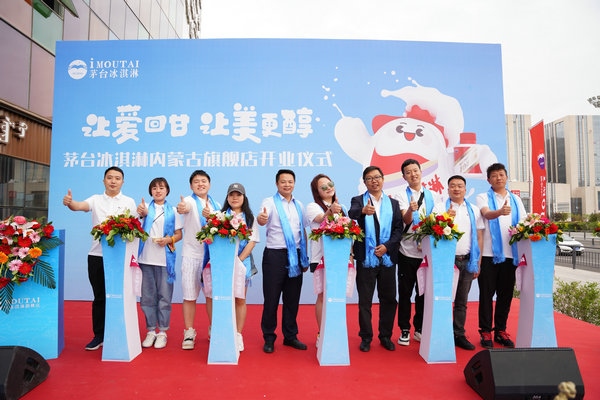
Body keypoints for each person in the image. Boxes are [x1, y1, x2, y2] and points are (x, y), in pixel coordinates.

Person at [62, 166, 137, 351]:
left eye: (117, 178)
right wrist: (70, 203)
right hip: (97, 256)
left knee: (119, 296)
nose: (113, 181)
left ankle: (119, 333)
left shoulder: (129, 202)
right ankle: (99, 335)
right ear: (104, 180)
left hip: (120, 258)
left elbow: (135, 227)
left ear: (123, 182)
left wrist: (141, 213)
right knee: (100, 297)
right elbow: (79, 206)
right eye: (109, 177)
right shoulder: (95, 199)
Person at [348, 166, 403, 352]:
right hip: (366, 258)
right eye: (370, 178)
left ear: (383, 179)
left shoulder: (393, 203)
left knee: (389, 299)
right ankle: (366, 337)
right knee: (365, 301)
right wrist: (363, 211)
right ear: (365, 182)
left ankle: (385, 335)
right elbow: (352, 213)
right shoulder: (358, 201)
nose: (374, 181)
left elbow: (398, 229)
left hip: (387, 258)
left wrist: (387, 246)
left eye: (377, 177)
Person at [256, 169, 309, 353]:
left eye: (290, 181)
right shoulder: (269, 202)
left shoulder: (299, 205)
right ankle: (269, 337)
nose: (287, 184)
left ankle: (290, 336)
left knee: (292, 299)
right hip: (275, 256)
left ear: (294, 183)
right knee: (271, 299)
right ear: (277, 184)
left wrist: (304, 257)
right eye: (283, 181)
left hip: (296, 255)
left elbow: (303, 231)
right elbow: (262, 219)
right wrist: (261, 218)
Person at [204, 183, 259, 352]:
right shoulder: (219, 216)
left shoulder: (250, 218)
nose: (235, 198)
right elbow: (209, 239)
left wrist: (238, 261)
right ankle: (218, 330)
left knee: (239, 299)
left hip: (242, 263)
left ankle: (237, 334)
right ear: (227, 198)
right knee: (219, 297)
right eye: (231, 195)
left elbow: (252, 242)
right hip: (221, 264)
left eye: (238, 195)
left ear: (244, 198)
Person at [476, 163, 525, 349]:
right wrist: (500, 212)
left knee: (505, 295)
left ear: (506, 177)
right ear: (489, 180)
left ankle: (500, 331)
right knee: (486, 295)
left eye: (501, 174)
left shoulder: (516, 199)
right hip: (489, 255)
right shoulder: (483, 197)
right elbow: (487, 214)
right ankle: (485, 331)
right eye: (494, 175)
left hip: (511, 255)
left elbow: (523, 223)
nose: (498, 178)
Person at [433, 175, 484, 350]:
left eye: (460, 186)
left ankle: (458, 334)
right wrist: (445, 217)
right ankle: (442, 334)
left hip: (468, 260)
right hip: (447, 262)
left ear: (465, 189)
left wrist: (478, 261)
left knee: (462, 301)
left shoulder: (474, 209)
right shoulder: (440, 207)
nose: (456, 189)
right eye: (453, 186)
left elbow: (479, 236)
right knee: (444, 299)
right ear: (447, 189)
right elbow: (433, 231)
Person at [394, 158, 438, 346]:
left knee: (423, 293)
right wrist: (410, 211)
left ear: (421, 171)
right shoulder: (400, 195)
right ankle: (404, 329)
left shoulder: (433, 195)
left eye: (415, 170)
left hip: (427, 254)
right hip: (407, 252)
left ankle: (420, 328)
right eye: (408, 172)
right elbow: (404, 220)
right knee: (405, 293)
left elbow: (437, 220)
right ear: (404, 176)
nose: (413, 174)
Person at [136, 177, 183, 349]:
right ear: (150, 191)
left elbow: (179, 234)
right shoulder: (143, 209)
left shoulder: (173, 211)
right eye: (154, 188)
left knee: (164, 297)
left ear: (167, 190)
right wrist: (141, 214)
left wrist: (168, 239)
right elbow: (135, 226)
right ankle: (150, 331)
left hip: (164, 261)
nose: (158, 190)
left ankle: (162, 331)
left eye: (161, 187)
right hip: (145, 259)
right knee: (147, 297)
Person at [176, 170, 221, 350]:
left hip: (211, 257)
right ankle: (189, 331)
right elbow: (184, 208)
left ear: (209, 184)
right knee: (189, 296)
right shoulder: (188, 201)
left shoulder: (217, 204)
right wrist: (182, 207)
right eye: (196, 181)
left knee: (211, 296)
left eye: (203, 181)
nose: (200, 184)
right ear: (191, 185)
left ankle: (214, 328)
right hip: (191, 256)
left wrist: (212, 217)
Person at [305, 173, 346, 347]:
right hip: (320, 257)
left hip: (339, 259)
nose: (328, 188)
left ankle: (335, 331)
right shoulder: (312, 206)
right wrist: (331, 211)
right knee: (323, 295)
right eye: (323, 187)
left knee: (336, 295)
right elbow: (321, 219)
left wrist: (350, 255)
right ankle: (321, 333)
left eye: (330, 184)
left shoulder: (342, 207)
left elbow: (347, 233)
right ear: (317, 191)